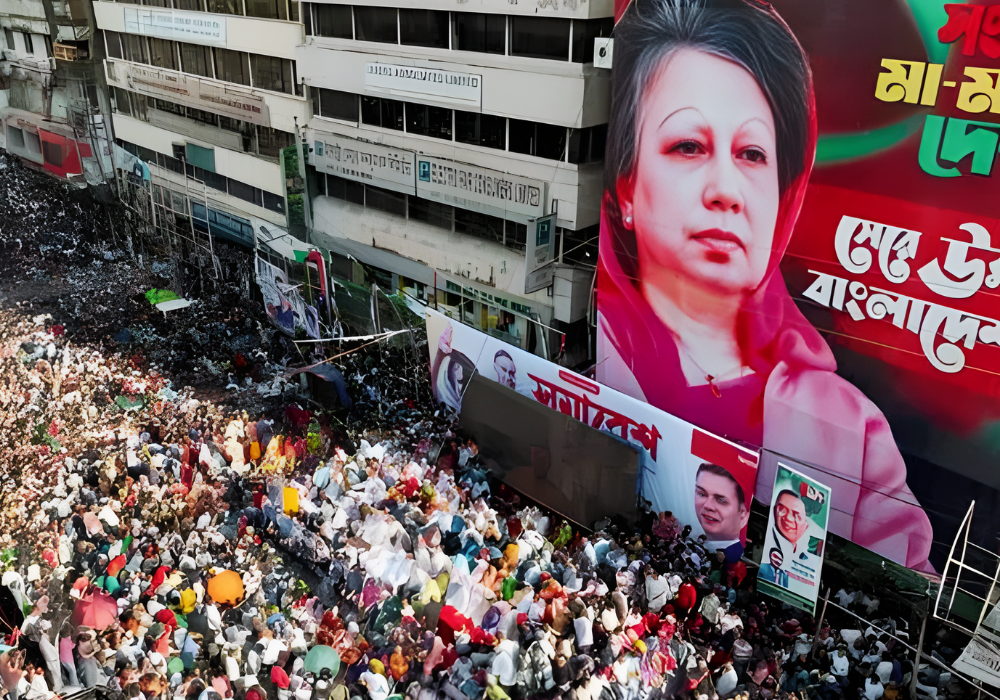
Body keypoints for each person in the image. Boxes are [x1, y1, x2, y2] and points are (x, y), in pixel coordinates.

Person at [594, 0, 933, 571]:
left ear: (784, 196)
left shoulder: (852, 431)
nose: (726, 190)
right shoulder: (587, 353)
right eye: (688, 146)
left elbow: (904, 592)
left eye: (752, 154)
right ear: (626, 186)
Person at [759, 489, 823, 588]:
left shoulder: (810, 558)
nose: (788, 518)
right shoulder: (765, 561)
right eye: (782, 509)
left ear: (806, 524)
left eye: (796, 515)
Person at [694, 463, 750, 562]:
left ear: (742, 512)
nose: (707, 505)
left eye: (720, 500)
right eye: (702, 494)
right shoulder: (698, 541)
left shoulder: (733, 560)